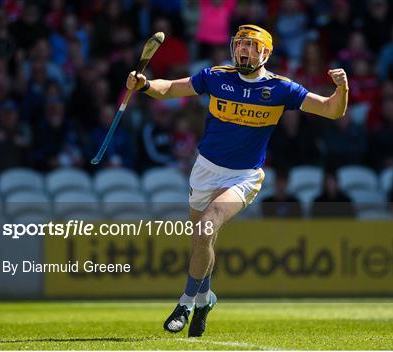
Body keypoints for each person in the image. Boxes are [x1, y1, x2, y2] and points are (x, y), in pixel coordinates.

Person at [126, 24, 348, 337]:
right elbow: (171, 89)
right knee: (202, 243)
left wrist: (342, 89)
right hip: (205, 170)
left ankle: (186, 302)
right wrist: (145, 84)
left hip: (243, 177)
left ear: (265, 52)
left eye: (251, 46)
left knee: (206, 228)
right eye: (241, 44)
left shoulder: (281, 88)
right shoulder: (216, 77)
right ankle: (205, 298)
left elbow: (331, 110)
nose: (243, 50)